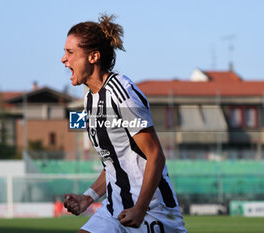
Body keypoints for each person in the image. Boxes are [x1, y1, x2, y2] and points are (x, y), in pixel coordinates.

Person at [61, 14, 187, 233]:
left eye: (70, 52)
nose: (64, 59)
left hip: (150, 210)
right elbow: (114, 162)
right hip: (114, 210)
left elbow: (155, 155)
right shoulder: (90, 98)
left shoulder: (123, 94)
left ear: (94, 57)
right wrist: (88, 198)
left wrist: (140, 208)